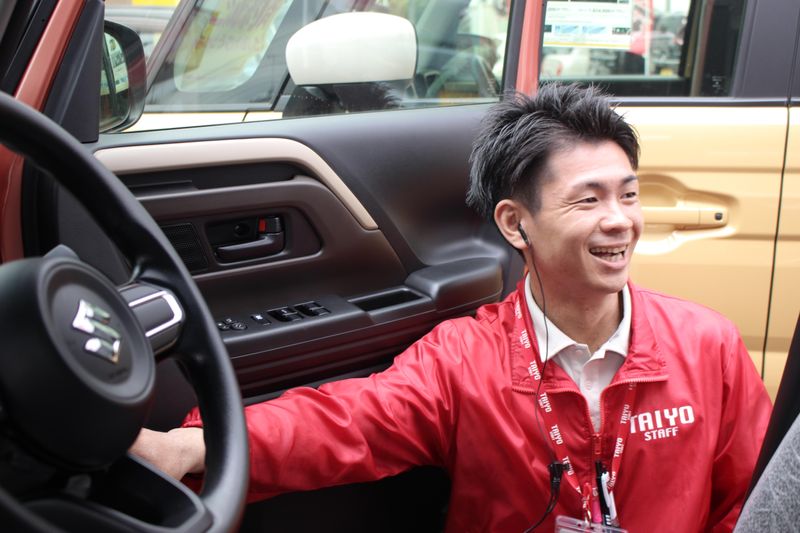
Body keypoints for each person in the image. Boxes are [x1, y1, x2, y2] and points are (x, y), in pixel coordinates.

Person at [132, 83, 772, 531]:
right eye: (588, 200)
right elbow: (344, 424)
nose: (620, 221)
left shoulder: (707, 344)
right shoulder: (464, 359)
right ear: (516, 224)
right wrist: (193, 446)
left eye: (628, 195)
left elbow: (750, 502)